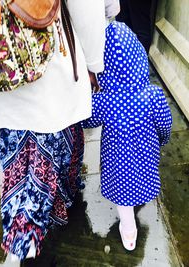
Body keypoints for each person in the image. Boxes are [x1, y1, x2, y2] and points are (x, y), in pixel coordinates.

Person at [0, 0, 107, 261]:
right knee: (44, 172)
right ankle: (23, 246)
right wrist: (94, 64)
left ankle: (25, 238)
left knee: (17, 171)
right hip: (49, 77)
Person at [81, 21, 172, 250]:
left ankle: (129, 229)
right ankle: (134, 214)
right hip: (145, 154)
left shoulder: (104, 100)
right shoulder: (153, 94)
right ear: (139, 58)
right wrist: (162, 139)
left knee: (124, 200)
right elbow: (164, 125)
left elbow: (87, 120)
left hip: (117, 162)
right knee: (141, 182)